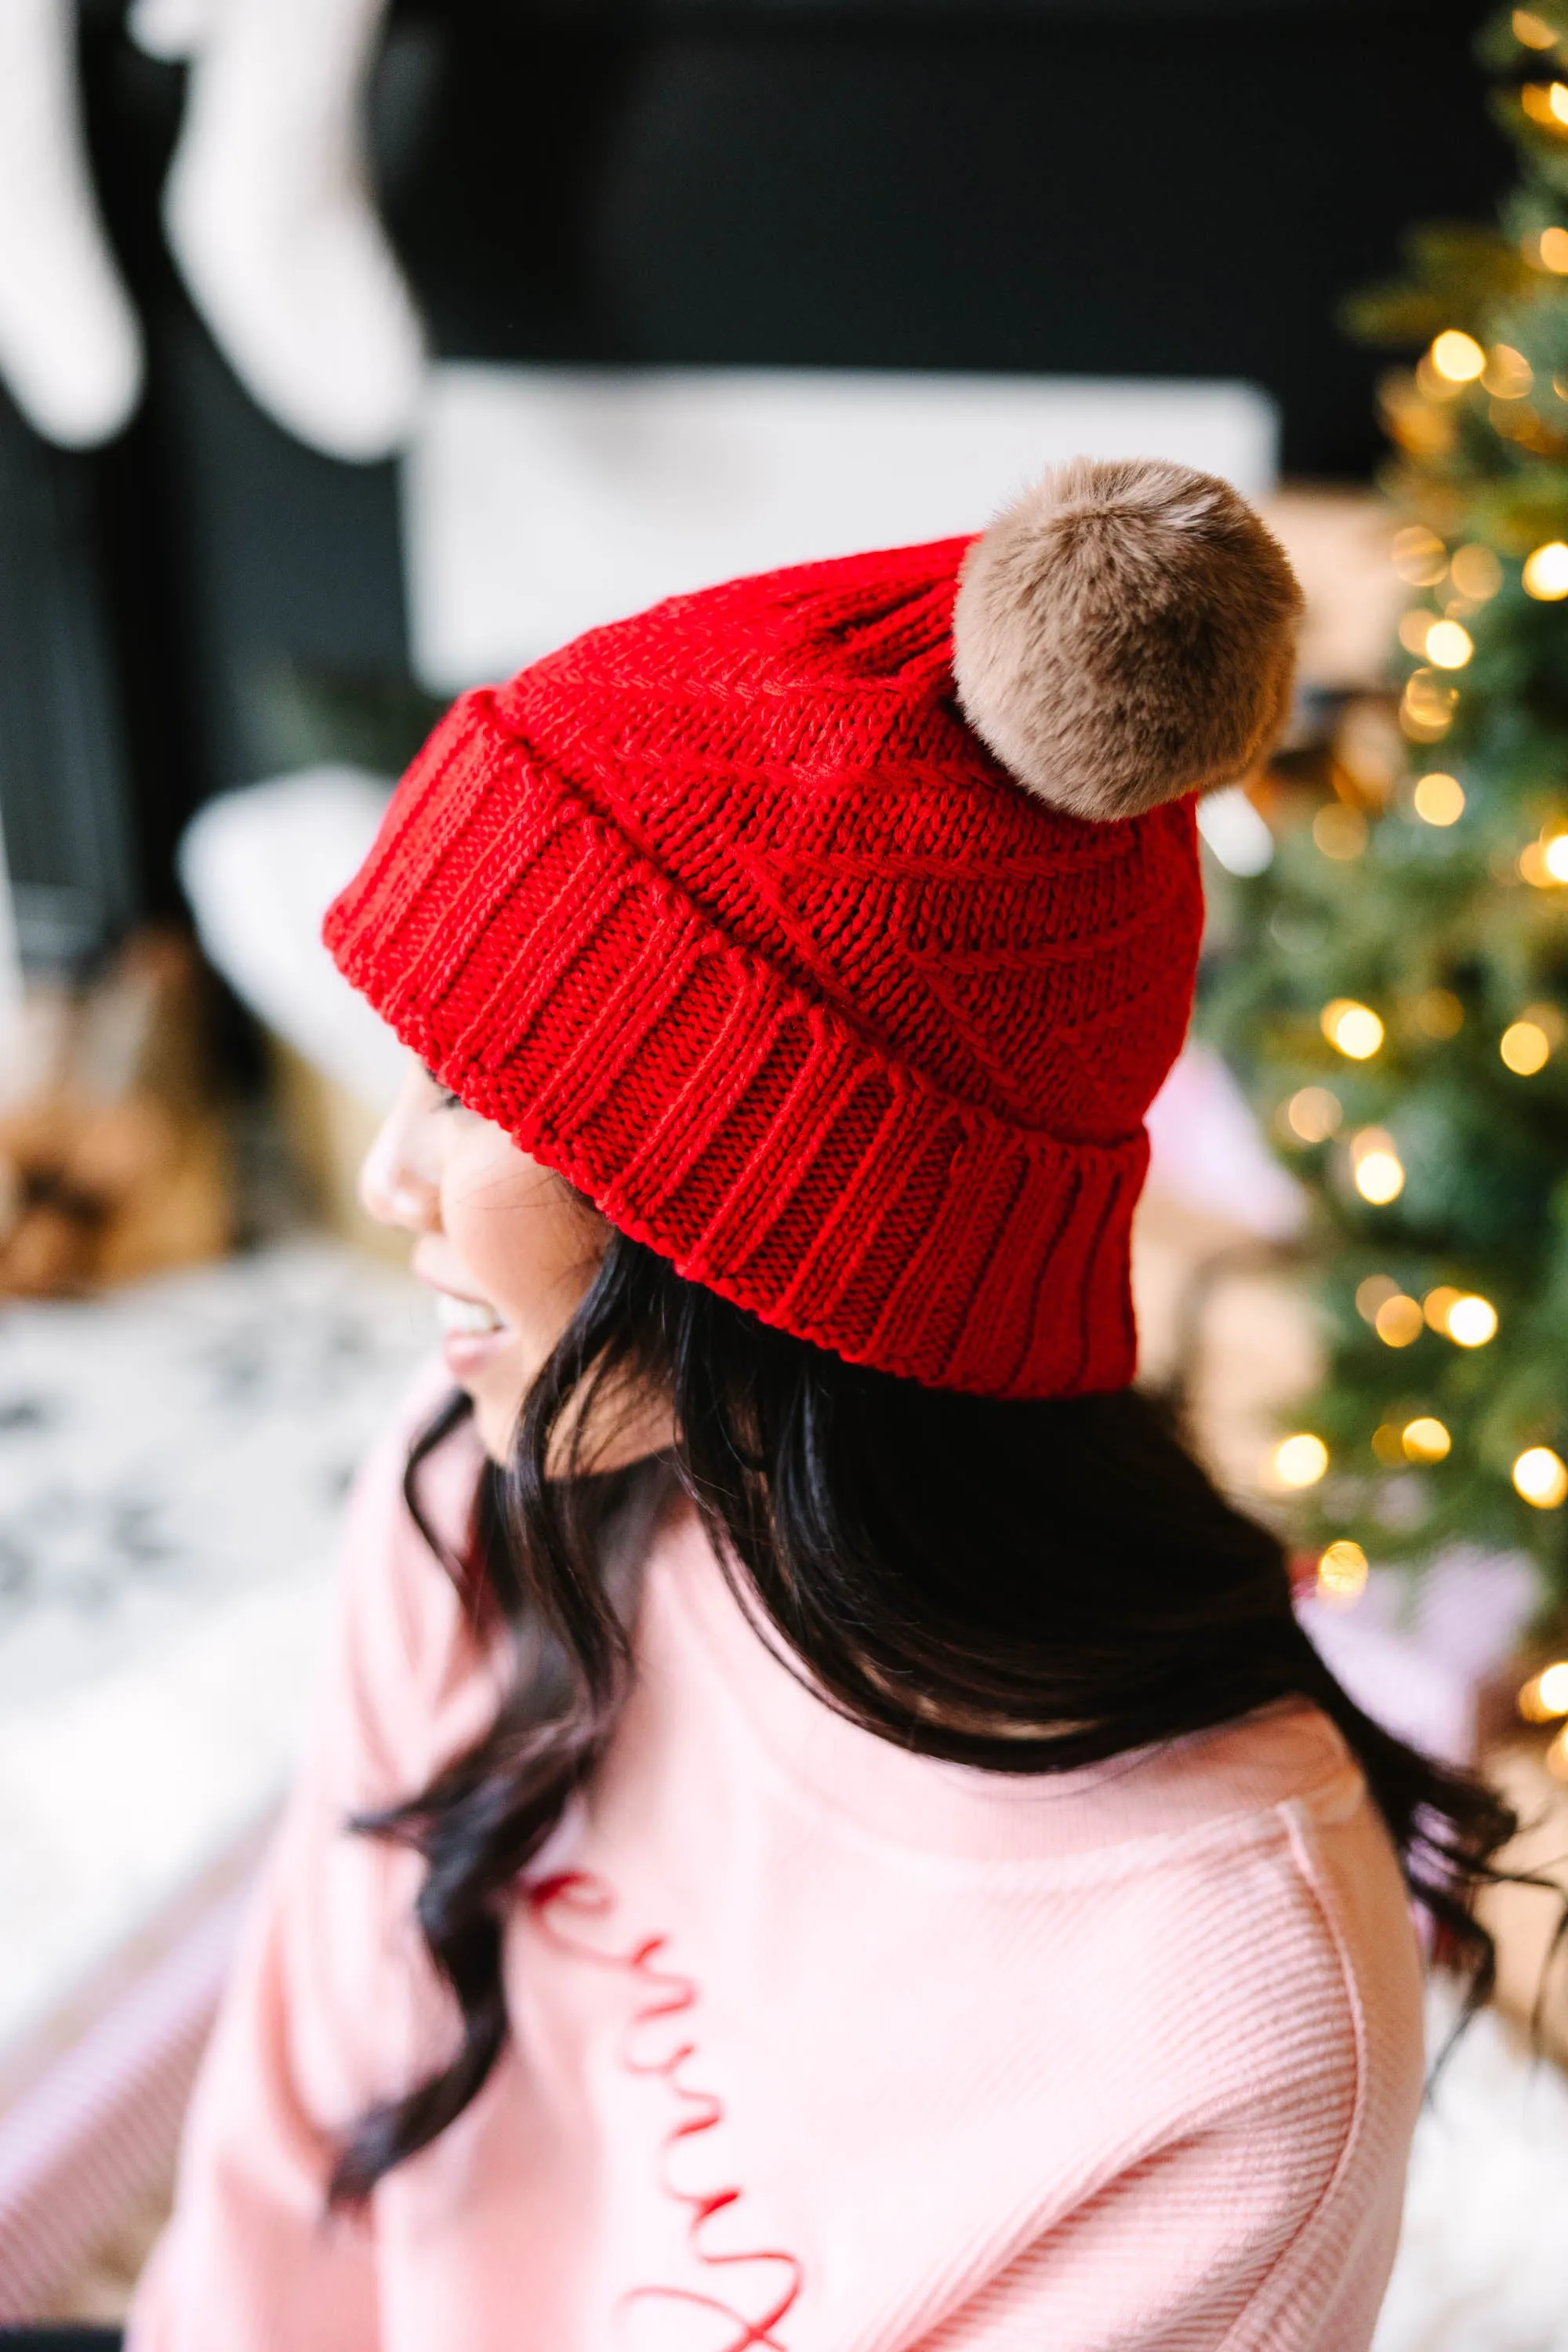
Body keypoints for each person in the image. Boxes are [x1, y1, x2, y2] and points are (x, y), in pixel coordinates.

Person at [125, 458, 1514, 2351]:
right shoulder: (477, 1499)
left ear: (769, 1222)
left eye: (475, 1094)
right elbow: (272, 2210)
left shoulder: (1226, 1988)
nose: (384, 1181)